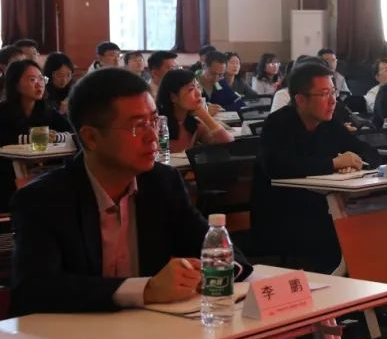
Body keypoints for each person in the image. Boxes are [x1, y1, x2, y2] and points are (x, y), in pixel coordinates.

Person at [10, 67, 253, 315]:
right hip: (74, 334)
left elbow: (220, 251)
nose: (153, 137)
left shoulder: (161, 182)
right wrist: (145, 289)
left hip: (151, 328)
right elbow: (33, 289)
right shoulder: (44, 199)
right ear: (91, 137)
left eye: (154, 121)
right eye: (138, 126)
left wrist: (211, 273)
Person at [253, 63, 381, 273]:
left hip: (323, 204)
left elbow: (368, 151)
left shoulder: (329, 123)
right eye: (323, 94)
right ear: (300, 100)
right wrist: (334, 164)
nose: (332, 100)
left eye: (333, 92)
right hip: (285, 211)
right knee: (342, 230)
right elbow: (278, 166)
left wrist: (354, 162)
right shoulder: (278, 124)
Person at [0, 60, 74, 211]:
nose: (39, 84)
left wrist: (57, 137)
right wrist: (39, 139)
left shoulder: (48, 111)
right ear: (16, 84)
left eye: (41, 79)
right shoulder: (3, 112)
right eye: (32, 80)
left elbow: (72, 134)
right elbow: (5, 142)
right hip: (7, 177)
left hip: (42, 176)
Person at [157, 69, 234, 154]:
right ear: (173, 97)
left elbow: (228, 143)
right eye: (191, 89)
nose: (198, 93)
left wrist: (203, 114)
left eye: (198, 87)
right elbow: (161, 156)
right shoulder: (158, 125)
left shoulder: (195, 125)